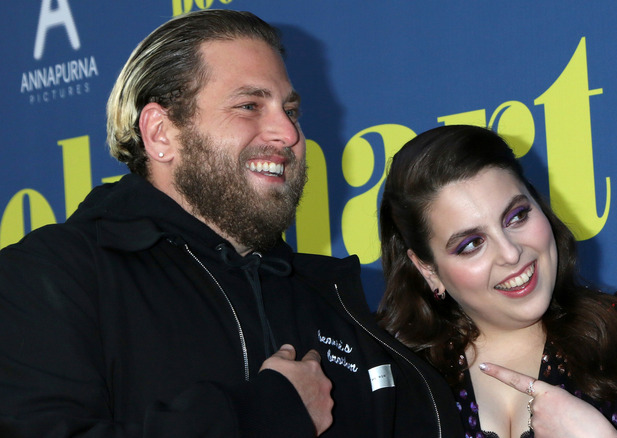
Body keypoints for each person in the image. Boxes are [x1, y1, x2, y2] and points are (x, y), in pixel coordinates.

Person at [0, 10, 462, 438]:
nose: (289, 133)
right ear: (161, 133)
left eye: (291, 110)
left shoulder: (334, 302)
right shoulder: (50, 277)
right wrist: (268, 413)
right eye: (249, 106)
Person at [377, 125, 617, 437]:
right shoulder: (400, 380)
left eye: (517, 216)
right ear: (428, 269)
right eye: (472, 244)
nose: (511, 253)